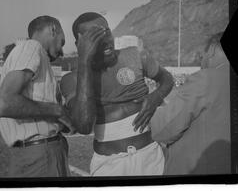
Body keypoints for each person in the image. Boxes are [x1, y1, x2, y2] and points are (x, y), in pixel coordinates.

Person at [60, 12, 174, 176]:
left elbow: (166, 78)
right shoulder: (72, 79)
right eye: (95, 36)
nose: (106, 40)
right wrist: (85, 60)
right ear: (80, 44)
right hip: (109, 165)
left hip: (151, 157)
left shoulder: (134, 55)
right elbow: (83, 126)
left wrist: (155, 97)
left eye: (107, 31)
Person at [0, 16, 74, 177]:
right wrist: (57, 111)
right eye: (62, 42)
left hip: (39, 153)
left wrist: (63, 122)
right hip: (40, 155)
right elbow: (5, 103)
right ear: (52, 29)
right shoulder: (32, 47)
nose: (62, 51)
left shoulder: (36, 56)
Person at [150, 32, 231, 174]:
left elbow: (164, 129)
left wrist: (148, 106)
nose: (202, 62)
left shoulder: (207, 78)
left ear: (211, 50)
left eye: (202, 56)